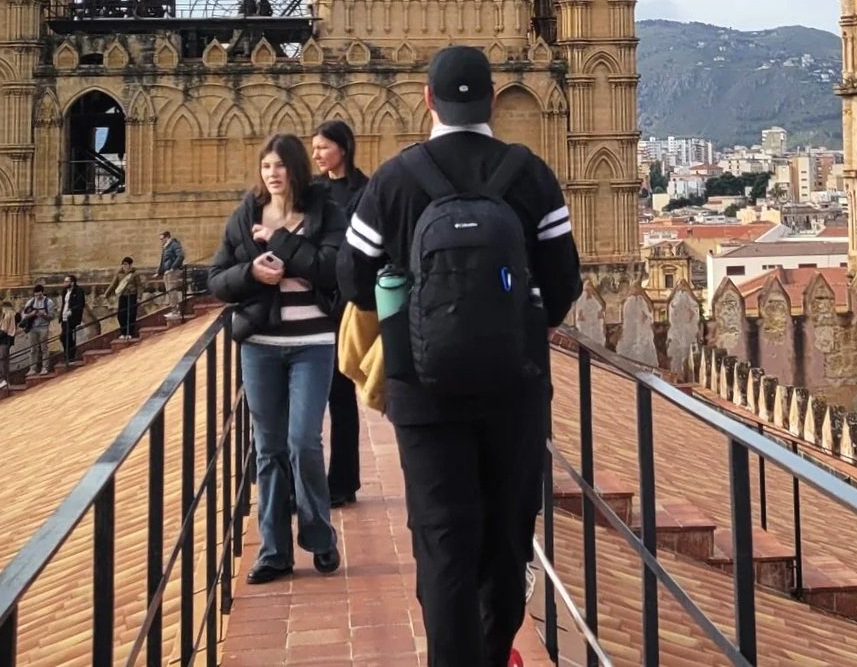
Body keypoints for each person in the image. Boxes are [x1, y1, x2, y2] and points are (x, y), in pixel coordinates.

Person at [340, 45, 581, 667]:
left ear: (428, 100)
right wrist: (517, 322)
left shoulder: (396, 177)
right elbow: (562, 288)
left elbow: (352, 280)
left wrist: (417, 313)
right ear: (495, 102)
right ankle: (497, 652)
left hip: (423, 388)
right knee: (505, 540)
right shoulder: (530, 174)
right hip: (516, 387)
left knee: (443, 542)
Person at [209, 133, 344, 583]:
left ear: (297, 169)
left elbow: (331, 269)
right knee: (268, 448)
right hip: (261, 345)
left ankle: (319, 536)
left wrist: (281, 242)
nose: (274, 173)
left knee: (303, 441)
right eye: (267, 165)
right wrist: (251, 272)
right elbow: (216, 279)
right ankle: (273, 551)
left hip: (313, 343)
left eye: (281, 165)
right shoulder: (244, 214)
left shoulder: (324, 212)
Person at [311, 119, 367, 508]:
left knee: (342, 395)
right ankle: (311, 481)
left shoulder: (364, 190)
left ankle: (343, 481)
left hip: (346, 304)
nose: (315, 154)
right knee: (312, 397)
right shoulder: (312, 192)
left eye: (322, 147)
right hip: (313, 298)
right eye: (314, 148)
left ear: (342, 149)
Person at [20, 283, 56, 375]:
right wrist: (32, 314)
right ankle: (32, 368)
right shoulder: (31, 302)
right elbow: (24, 315)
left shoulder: (48, 302)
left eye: (39, 295)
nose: (38, 297)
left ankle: (45, 367)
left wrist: (42, 315)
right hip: (32, 328)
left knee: (44, 348)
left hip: (43, 327)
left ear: (42, 293)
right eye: (36, 295)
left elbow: (52, 316)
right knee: (33, 349)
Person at [109, 256, 143, 341]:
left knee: (131, 314)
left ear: (130, 265)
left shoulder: (135, 274)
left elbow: (139, 286)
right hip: (122, 296)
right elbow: (113, 284)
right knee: (121, 315)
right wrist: (107, 294)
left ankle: (130, 332)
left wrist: (139, 297)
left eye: (126, 264)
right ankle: (123, 332)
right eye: (123, 264)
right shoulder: (119, 274)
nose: (124, 266)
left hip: (132, 295)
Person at [60, 275, 88, 365]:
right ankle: (67, 354)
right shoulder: (65, 291)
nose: (65, 283)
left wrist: (72, 310)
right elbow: (64, 303)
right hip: (64, 317)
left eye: (67, 281)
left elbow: (81, 303)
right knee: (64, 337)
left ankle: (70, 355)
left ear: (72, 282)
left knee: (67, 335)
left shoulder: (79, 291)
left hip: (72, 317)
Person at [0, 318, 18, 392]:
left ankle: (3, 382)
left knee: (3, 363)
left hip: (4, 343)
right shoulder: (3, 319)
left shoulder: (9, 316)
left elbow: (5, 332)